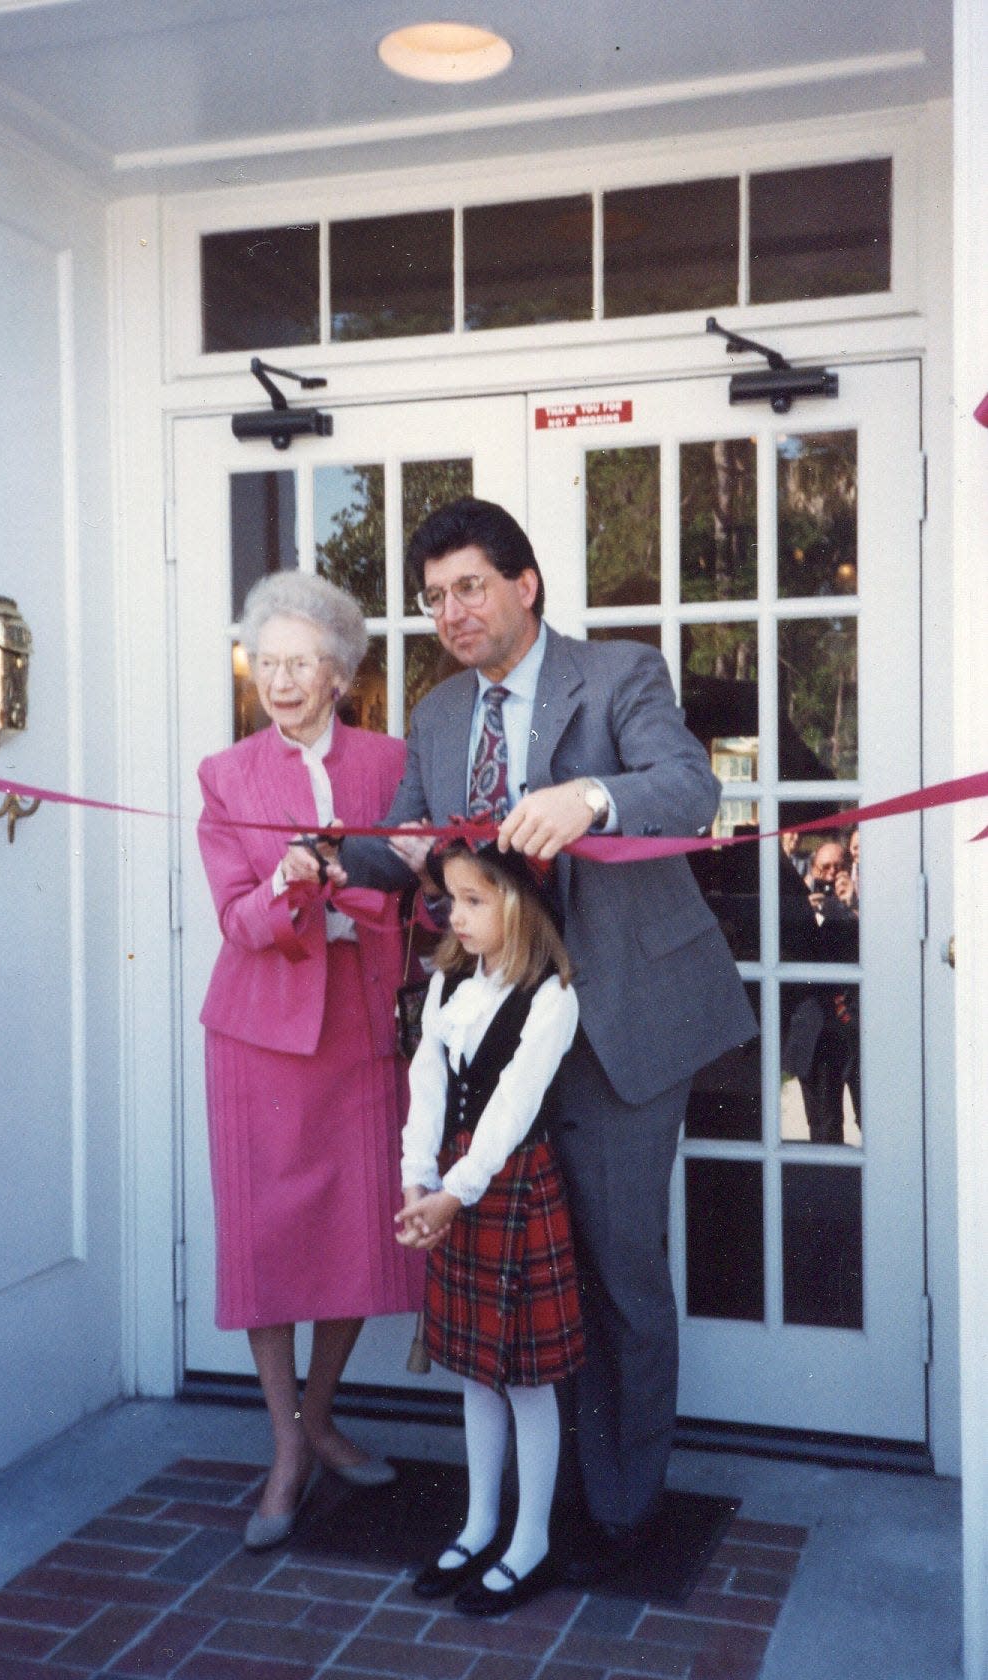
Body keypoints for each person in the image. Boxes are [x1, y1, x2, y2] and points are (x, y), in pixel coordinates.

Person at [341, 497, 757, 1572]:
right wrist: (328, 861)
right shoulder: (439, 718)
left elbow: (690, 789)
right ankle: (537, 1503)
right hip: (498, 1037)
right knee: (524, 1267)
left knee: (620, 1270)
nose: (452, 613)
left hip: (619, 1022)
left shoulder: (620, 677)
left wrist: (589, 799)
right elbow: (408, 844)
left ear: (525, 585)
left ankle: (621, 1508)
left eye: (470, 587)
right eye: (434, 598)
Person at [197, 569, 425, 1552]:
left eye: (301, 664)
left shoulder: (391, 761)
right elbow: (236, 920)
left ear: (340, 673)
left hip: (362, 1030)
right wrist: (290, 885)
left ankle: (318, 1417)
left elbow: (419, 892)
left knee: (351, 1238)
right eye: (266, 663)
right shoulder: (227, 774)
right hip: (260, 1036)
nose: (280, 682)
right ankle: (285, 1448)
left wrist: (367, 879)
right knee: (270, 1242)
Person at [395, 834, 582, 1615]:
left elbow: (510, 1112)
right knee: (475, 1368)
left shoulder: (550, 998)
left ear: (519, 901)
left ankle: (529, 1539)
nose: (456, 917)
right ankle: (478, 1523)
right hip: (455, 1189)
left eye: (475, 900)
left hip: (509, 1189)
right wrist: (417, 1177)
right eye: (449, 901)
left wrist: (456, 1190)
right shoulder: (448, 984)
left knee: (526, 1379)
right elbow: (426, 1084)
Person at [784, 839, 861, 1143]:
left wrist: (853, 906)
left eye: (838, 867)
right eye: (823, 868)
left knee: (874, 1118)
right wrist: (806, 908)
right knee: (823, 1128)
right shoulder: (801, 907)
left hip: (856, 1029)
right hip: (817, 1033)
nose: (830, 875)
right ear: (812, 871)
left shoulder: (860, 902)